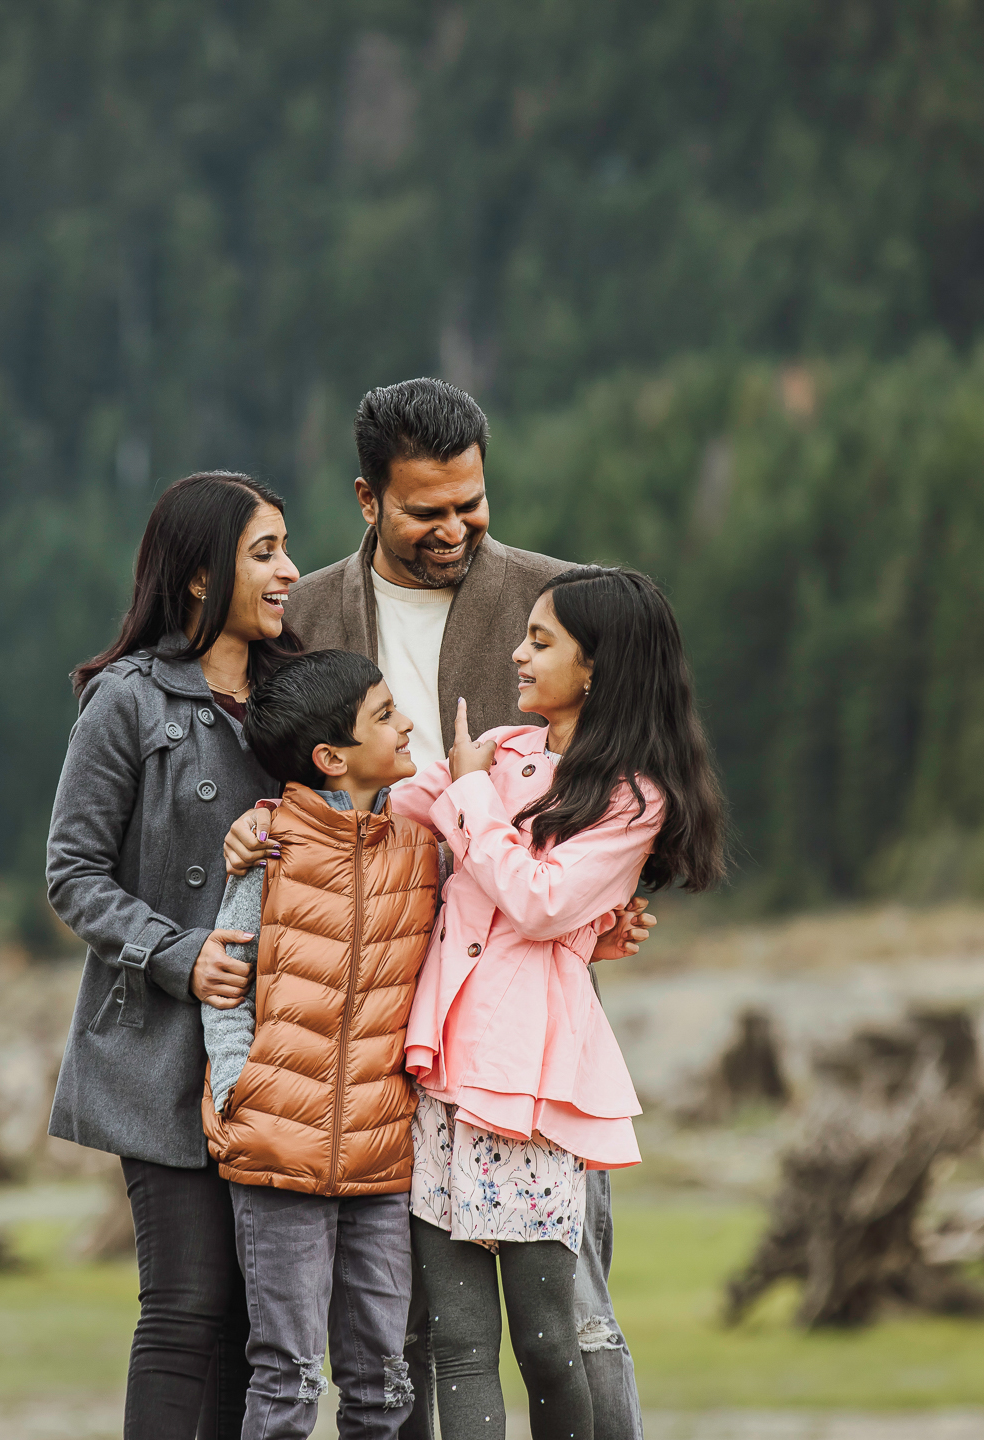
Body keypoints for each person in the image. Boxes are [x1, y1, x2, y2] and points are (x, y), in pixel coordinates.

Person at [225, 377, 655, 1438]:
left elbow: (622, 777)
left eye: (472, 502)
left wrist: (612, 904)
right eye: (428, 511)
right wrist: (251, 832)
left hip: (522, 1015)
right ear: (368, 500)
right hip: (372, 1014)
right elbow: (273, 761)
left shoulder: (558, 600)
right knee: (410, 1325)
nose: (458, 527)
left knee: (573, 1311)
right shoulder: (307, 614)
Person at [391, 565, 726, 1438]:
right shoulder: (501, 752)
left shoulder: (631, 799)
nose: (516, 652)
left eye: (540, 640)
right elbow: (387, 813)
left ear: (599, 667)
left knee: (546, 1341)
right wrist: (282, 817)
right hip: (441, 1071)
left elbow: (542, 898)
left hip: (531, 1090)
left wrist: (469, 794)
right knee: (456, 1342)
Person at [46, 471, 302, 1440]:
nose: (287, 574)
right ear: (199, 578)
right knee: (187, 1304)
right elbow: (71, 874)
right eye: (265, 553)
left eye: (286, 549)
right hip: (155, 1052)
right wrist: (179, 956)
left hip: (275, 1058)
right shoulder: (125, 703)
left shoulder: (294, 701)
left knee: (253, 1322)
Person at [198, 649, 440, 1439]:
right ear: (332, 756)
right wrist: (241, 1085)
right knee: (288, 1379)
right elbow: (226, 975)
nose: (405, 723)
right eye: (384, 714)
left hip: (383, 1161)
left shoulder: (423, 846)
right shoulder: (270, 847)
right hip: (273, 1149)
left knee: (382, 1383)